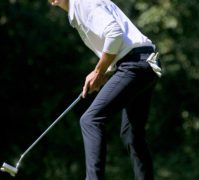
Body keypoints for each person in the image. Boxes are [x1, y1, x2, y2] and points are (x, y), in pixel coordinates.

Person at [50, 0, 162, 179]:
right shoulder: (77, 11)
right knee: (131, 134)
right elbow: (118, 44)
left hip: (135, 63)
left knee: (90, 120)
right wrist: (105, 73)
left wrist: (98, 71)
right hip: (145, 62)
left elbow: (114, 34)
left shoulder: (83, 4)